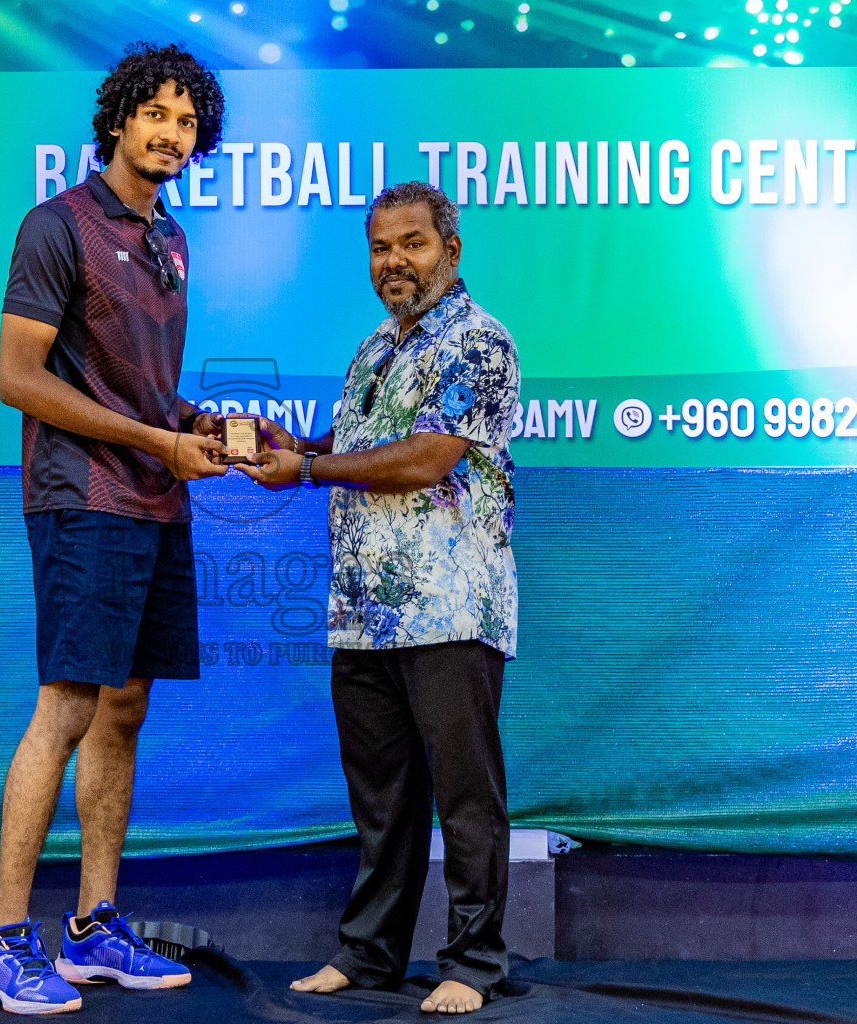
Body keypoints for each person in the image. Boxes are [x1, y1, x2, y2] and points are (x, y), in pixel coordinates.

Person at [0, 42, 230, 1015]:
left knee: (125, 709)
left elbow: (141, 388)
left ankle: (93, 926)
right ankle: (3, 941)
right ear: (118, 119)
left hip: (155, 496)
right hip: (81, 494)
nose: (170, 134)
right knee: (67, 707)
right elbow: (18, 378)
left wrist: (186, 429)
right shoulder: (57, 227)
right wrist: (148, 441)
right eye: (154, 115)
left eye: (186, 122)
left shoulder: (173, 241)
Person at [239, 181, 521, 1015]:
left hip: (451, 609)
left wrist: (312, 469)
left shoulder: (479, 341)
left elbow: (428, 456)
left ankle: (473, 964)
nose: (394, 261)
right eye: (380, 247)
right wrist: (301, 446)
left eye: (413, 244)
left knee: (465, 797)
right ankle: (368, 958)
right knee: (382, 798)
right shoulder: (372, 349)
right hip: (363, 615)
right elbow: (366, 446)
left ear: (451, 251)